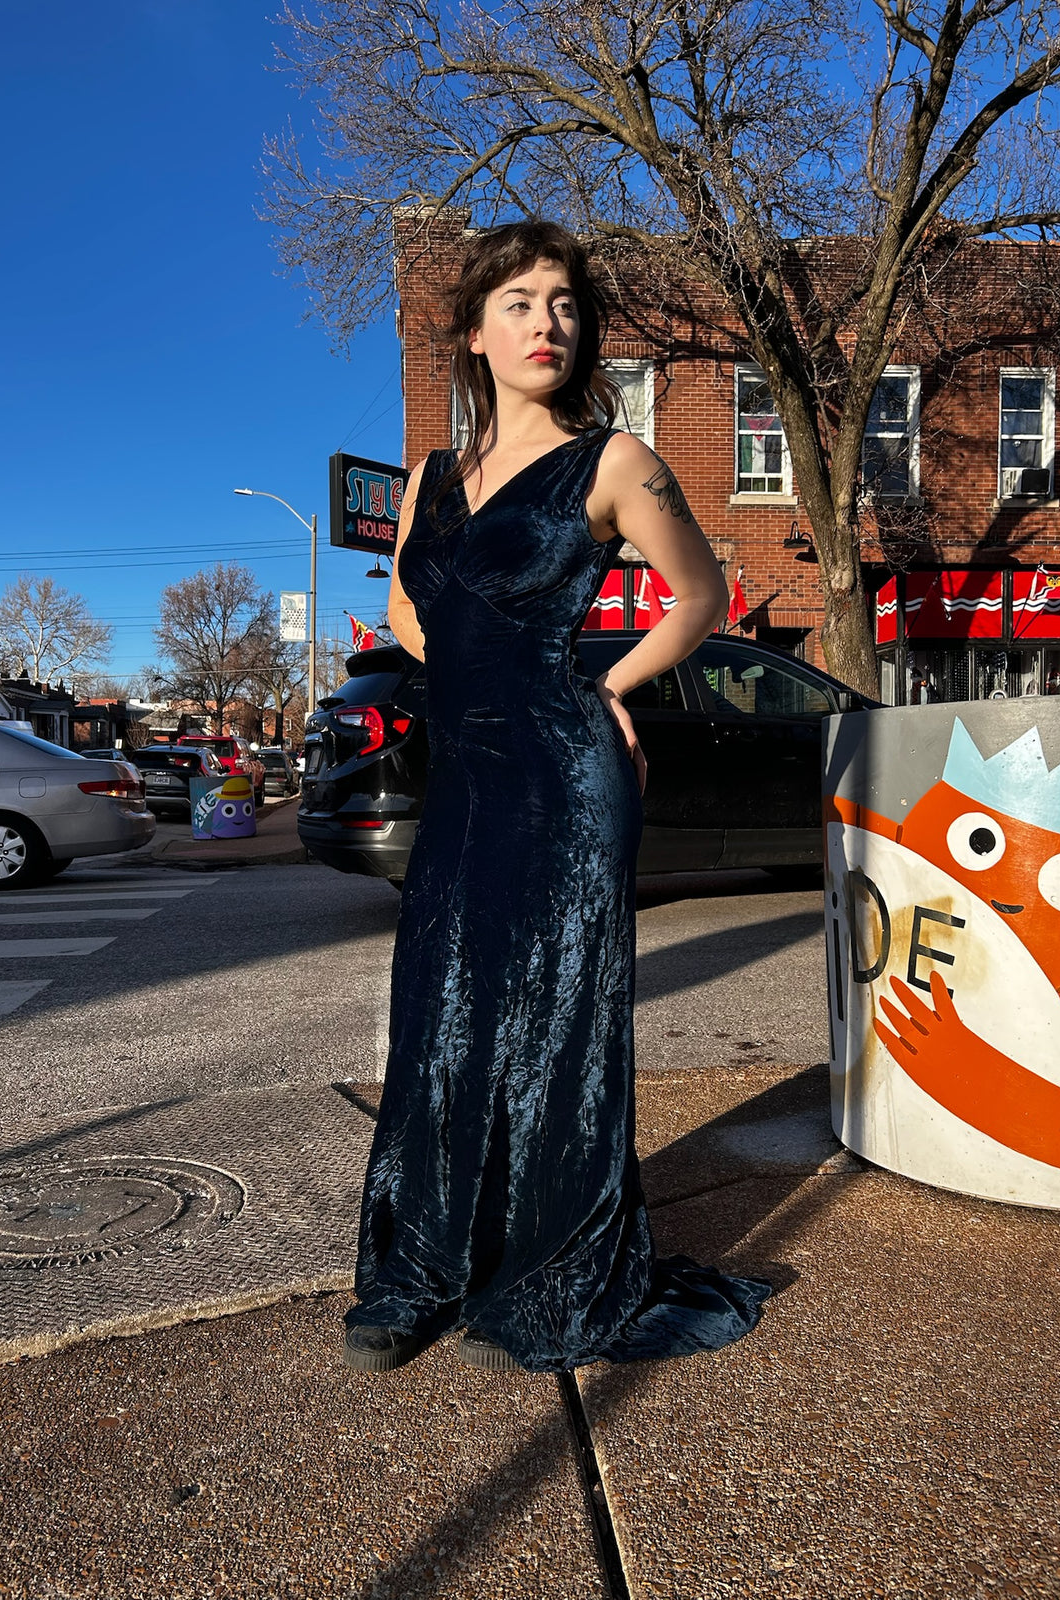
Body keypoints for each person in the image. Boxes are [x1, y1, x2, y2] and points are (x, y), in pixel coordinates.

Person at [343, 219, 771, 1374]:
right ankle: (418, 1269)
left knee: (550, 1022)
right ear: (475, 333)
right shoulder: (429, 479)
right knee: (440, 1009)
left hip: (563, 769)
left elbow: (701, 596)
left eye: (566, 303)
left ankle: (546, 1279)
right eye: (521, 302)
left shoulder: (615, 459)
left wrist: (602, 688)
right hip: (468, 773)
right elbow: (403, 615)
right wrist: (467, 676)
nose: (548, 322)